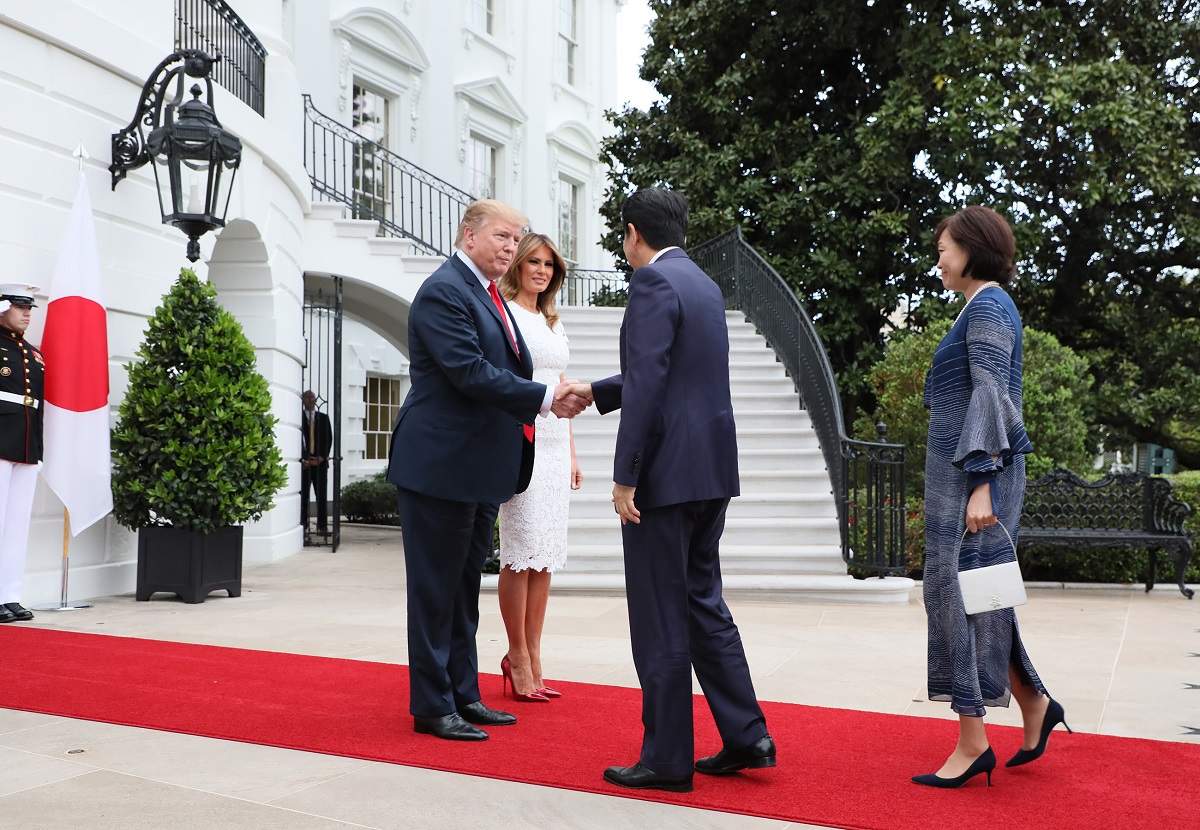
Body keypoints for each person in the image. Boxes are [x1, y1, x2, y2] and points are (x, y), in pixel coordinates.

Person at [571, 189, 775, 793]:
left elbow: (655, 380)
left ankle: (666, 760)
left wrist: (626, 473)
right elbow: (672, 373)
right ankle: (747, 735)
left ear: (633, 233)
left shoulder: (652, 285)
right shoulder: (703, 285)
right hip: (710, 470)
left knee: (660, 617)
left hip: (665, 475)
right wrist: (599, 391)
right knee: (701, 603)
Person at [386, 200, 590, 742]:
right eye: (502, 235)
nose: (510, 245)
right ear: (468, 235)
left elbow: (503, 368)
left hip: (476, 467)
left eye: (515, 237)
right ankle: (432, 706)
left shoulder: (485, 292)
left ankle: (463, 694)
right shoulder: (444, 290)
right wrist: (547, 398)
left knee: (461, 592)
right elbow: (470, 373)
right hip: (439, 466)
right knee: (435, 592)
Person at [914, 205, 1068, 789]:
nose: (940, 259)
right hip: (968, 474)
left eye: (945, 248)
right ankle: (1033, 704)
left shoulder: (989, 306)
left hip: (974, 478)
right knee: (981, 596)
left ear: (973, 249)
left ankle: (972, 740)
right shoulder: (984, 306)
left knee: (956, 597)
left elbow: (990, 397)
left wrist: (982, 482)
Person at [495, 233, 582, 702]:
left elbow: (562, 386)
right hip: (522, 440)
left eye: (549, 264)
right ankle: (517, 656)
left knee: (545, 556)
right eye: (533, 261)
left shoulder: (553, 320)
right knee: (519, 553)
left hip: (553, 444)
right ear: (519, 266)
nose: (542, 270)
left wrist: (570, 452)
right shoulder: (505, 314)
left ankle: (533, 653)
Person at [0, 284, 44, 624]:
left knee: (16, 525)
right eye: (19, 307)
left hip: (26, 442)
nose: (27, 313)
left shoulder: (32, 353)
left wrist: (38, 446)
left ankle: (9, 595)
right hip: (0, 439)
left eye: (29, 308)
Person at [300, 389, 333, 539]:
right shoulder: (297, 418)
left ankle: (322, 526)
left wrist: (322, 457)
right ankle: (303, 525)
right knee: (303, 497)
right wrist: (302, 459)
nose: (311, 401)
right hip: (304, 464)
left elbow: (328, 439)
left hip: (319, 464)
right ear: (303, 400)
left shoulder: (323, 418)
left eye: (313, 398)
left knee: (321, 496)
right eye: (308, 398)